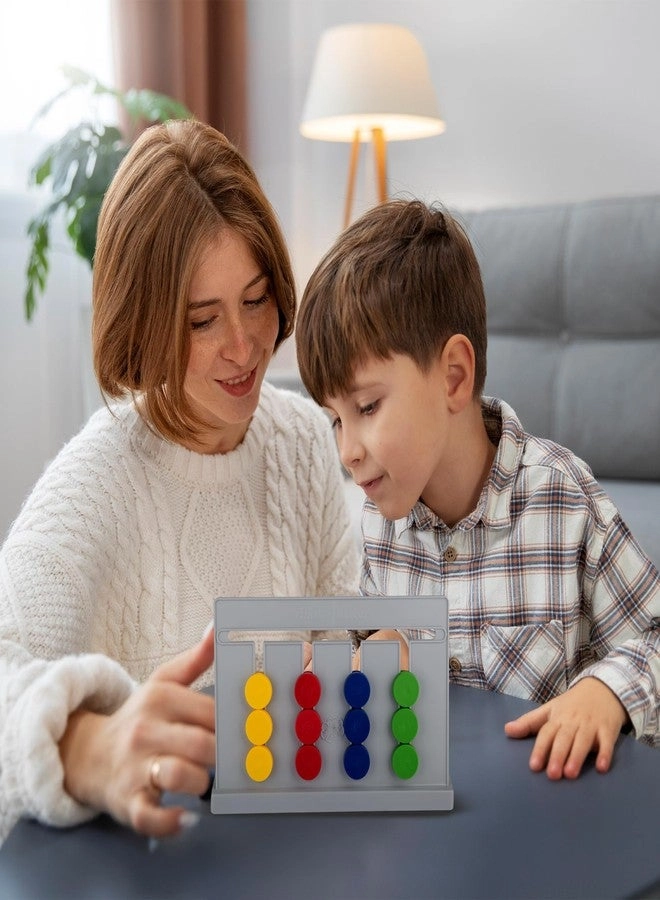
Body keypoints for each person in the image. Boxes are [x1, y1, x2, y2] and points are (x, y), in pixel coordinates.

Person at [0, 119, 358, 844]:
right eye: (202, 320)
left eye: (256, 300)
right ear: (143, 328)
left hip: (296, 853)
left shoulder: (303, 440)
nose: (244, 346)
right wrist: (88, 749)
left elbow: (347, 645)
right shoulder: (92, 484)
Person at [295, 198, 659, 780]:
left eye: (366, 407)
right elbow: (377, 652)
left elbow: (655, 637)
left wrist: (607, 693)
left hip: (553, 825)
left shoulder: (565, 503)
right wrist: (358, 661)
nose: (347, 451)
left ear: (454, 377)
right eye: (336, 419)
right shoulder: (378, 525)